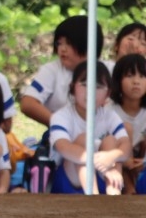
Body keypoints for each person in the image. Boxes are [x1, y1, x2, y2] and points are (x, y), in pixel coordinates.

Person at [49, 61, 128, 194]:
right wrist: (101, 164)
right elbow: (63, 147)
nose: (90, 91)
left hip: (102, 177)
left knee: (111, 142)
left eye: (98, 86)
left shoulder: (110, 116)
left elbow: (126, 147)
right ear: (72, 87)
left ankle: (113, 194)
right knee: (84, 140)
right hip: (69, 182)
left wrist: (111, 157)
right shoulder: (61, 116)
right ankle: (93, 199)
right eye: (85, 85)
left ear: (108, 94)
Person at [20, 15, 104, 128]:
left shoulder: (108, 71)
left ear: (88, 45)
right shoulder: (52, 70)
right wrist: (60, 125)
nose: (62, 49)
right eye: (59, 43)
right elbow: (28, 103)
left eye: (69, 43)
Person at [109, 53, 146, 192]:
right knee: (126, 128)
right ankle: (128, 187)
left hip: (140, 159)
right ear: (118, 81)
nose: (136, 81)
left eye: (142, 76)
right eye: (130, 76)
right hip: (117, 158)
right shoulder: (110, 110)